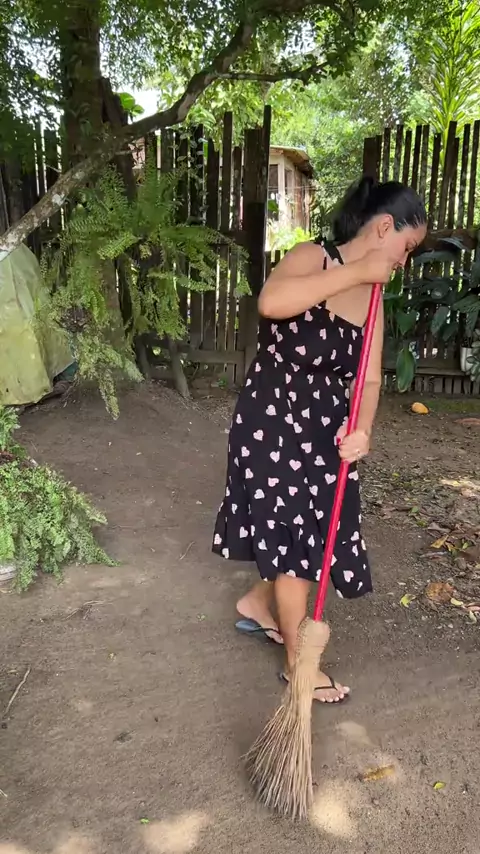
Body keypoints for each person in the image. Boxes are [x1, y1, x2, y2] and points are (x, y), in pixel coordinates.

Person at [212, 176, 427, 703]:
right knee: (295, 543)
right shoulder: (313, 256)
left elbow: (368, 380)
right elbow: (272, 301)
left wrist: (362, 428)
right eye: (407, 247)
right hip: (271, 418)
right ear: (384, 227)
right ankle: (298, 665)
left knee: (309, 532)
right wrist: (356, 271)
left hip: (323, 430)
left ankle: (257, 604)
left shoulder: (374, 299)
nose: (405, 261)